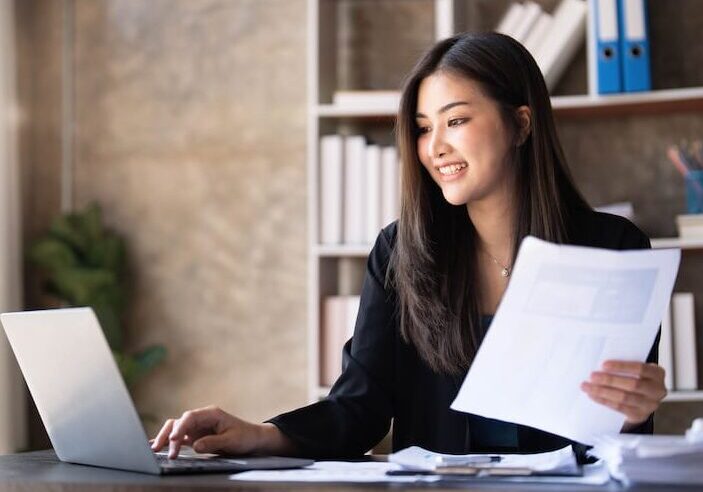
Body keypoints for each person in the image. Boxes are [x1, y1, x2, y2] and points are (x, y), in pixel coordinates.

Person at [151, 32, 667, 461]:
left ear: (521, 123)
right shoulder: (401, 252)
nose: (436, 146)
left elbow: (618, 433)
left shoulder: (613, 248)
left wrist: (638, 410)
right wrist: (257, 434)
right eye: (423, 129)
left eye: (457, 120)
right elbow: (359, 409)